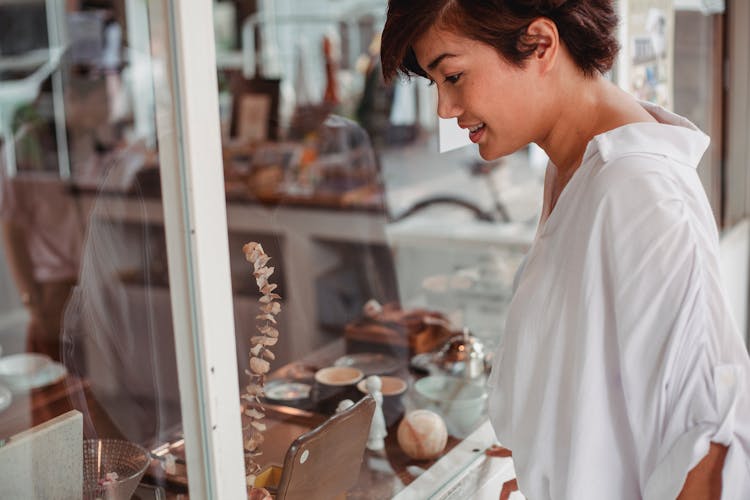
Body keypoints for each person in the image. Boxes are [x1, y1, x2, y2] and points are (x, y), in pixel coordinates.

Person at [380, 1, 750, 499]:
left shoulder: (639, 191)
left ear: (540, 44)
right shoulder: (576, 169)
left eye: (453, 76)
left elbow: (708, 456)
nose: (444, 108)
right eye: (435, 84)